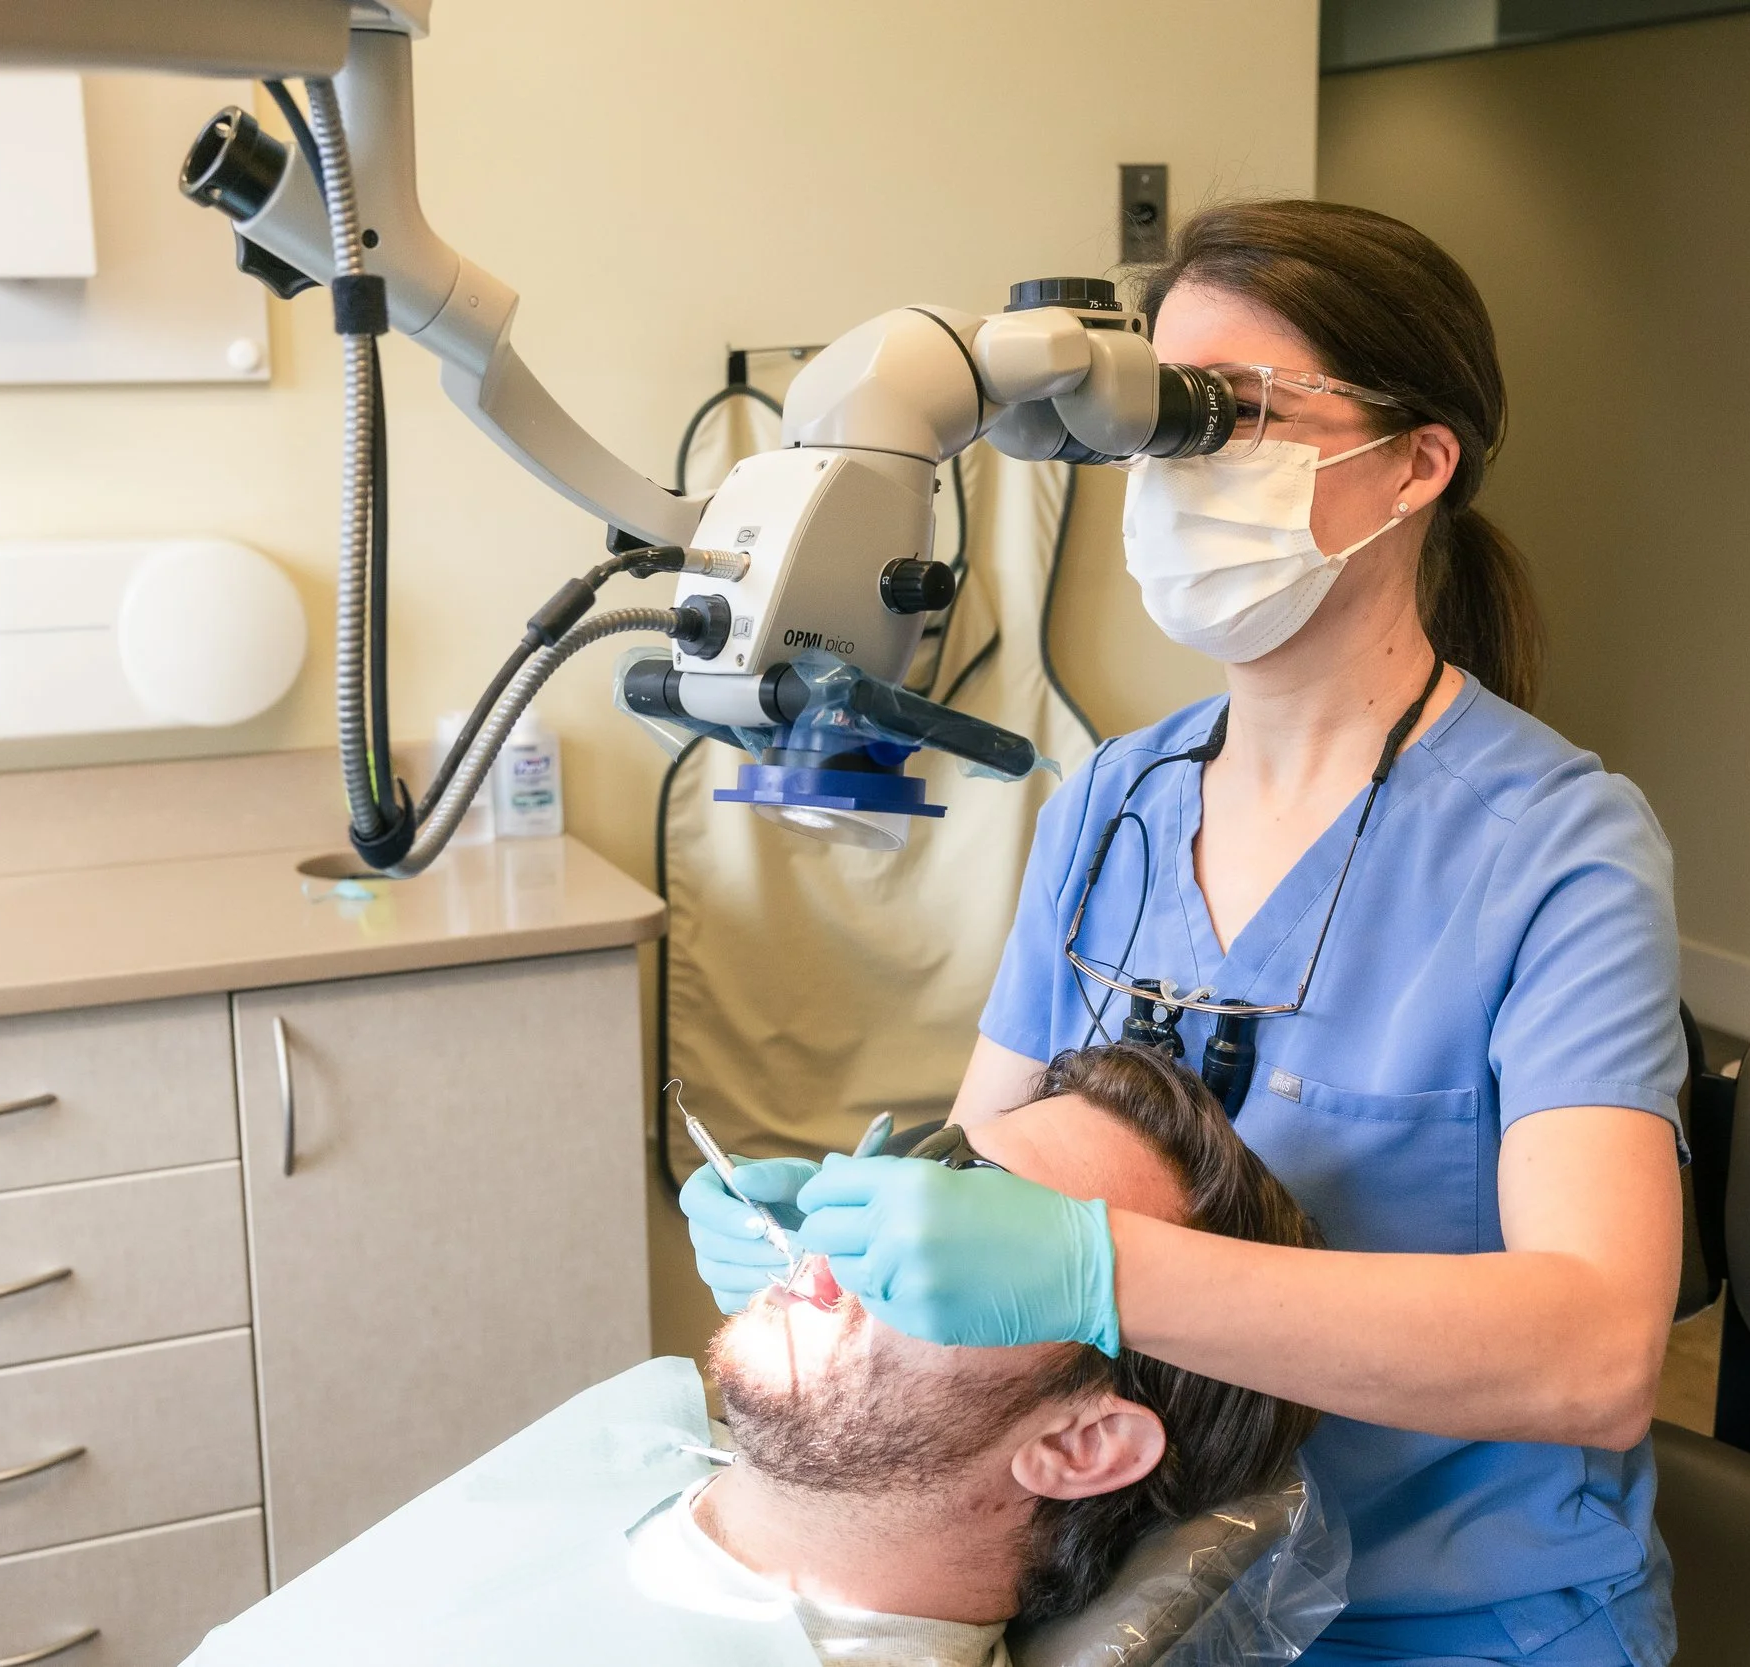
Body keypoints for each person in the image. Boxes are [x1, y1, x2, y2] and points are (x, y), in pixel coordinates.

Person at [687, 201, 1689, 1667]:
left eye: (1241, 415)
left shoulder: (1555, 846)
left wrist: (1094, 1268)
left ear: (1415, 463)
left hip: (1462, 1618)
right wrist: (849, 1228)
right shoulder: (1112, 796)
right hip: (1145, 1595)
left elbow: (1596, 1352)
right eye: (1166, 424)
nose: (1183, 467)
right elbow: (990, 1154)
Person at [189, 1045, 1321, 1667]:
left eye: (983, 1231)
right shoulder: (636, 1431)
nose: (876, 1221)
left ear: (1076, 1442)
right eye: (929, 1170)